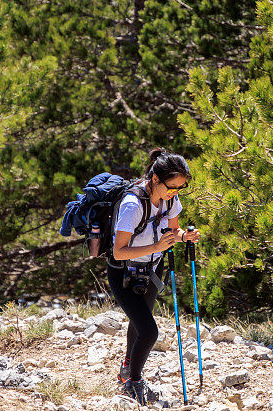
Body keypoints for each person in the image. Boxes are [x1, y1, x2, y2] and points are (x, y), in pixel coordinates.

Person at [107, 148, 201, 404]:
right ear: (156, 179)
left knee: (139, 325)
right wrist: (157, 248)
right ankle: (133, 383)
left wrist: (184, 236)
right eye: (172, 187)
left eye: (180, 188)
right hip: (123, 272)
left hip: (151, 270)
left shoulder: (170, 200)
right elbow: (118, 252)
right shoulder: (132, 205)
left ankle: (126, 370)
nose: (175, 193)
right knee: (149, 332)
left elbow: (173, 230)